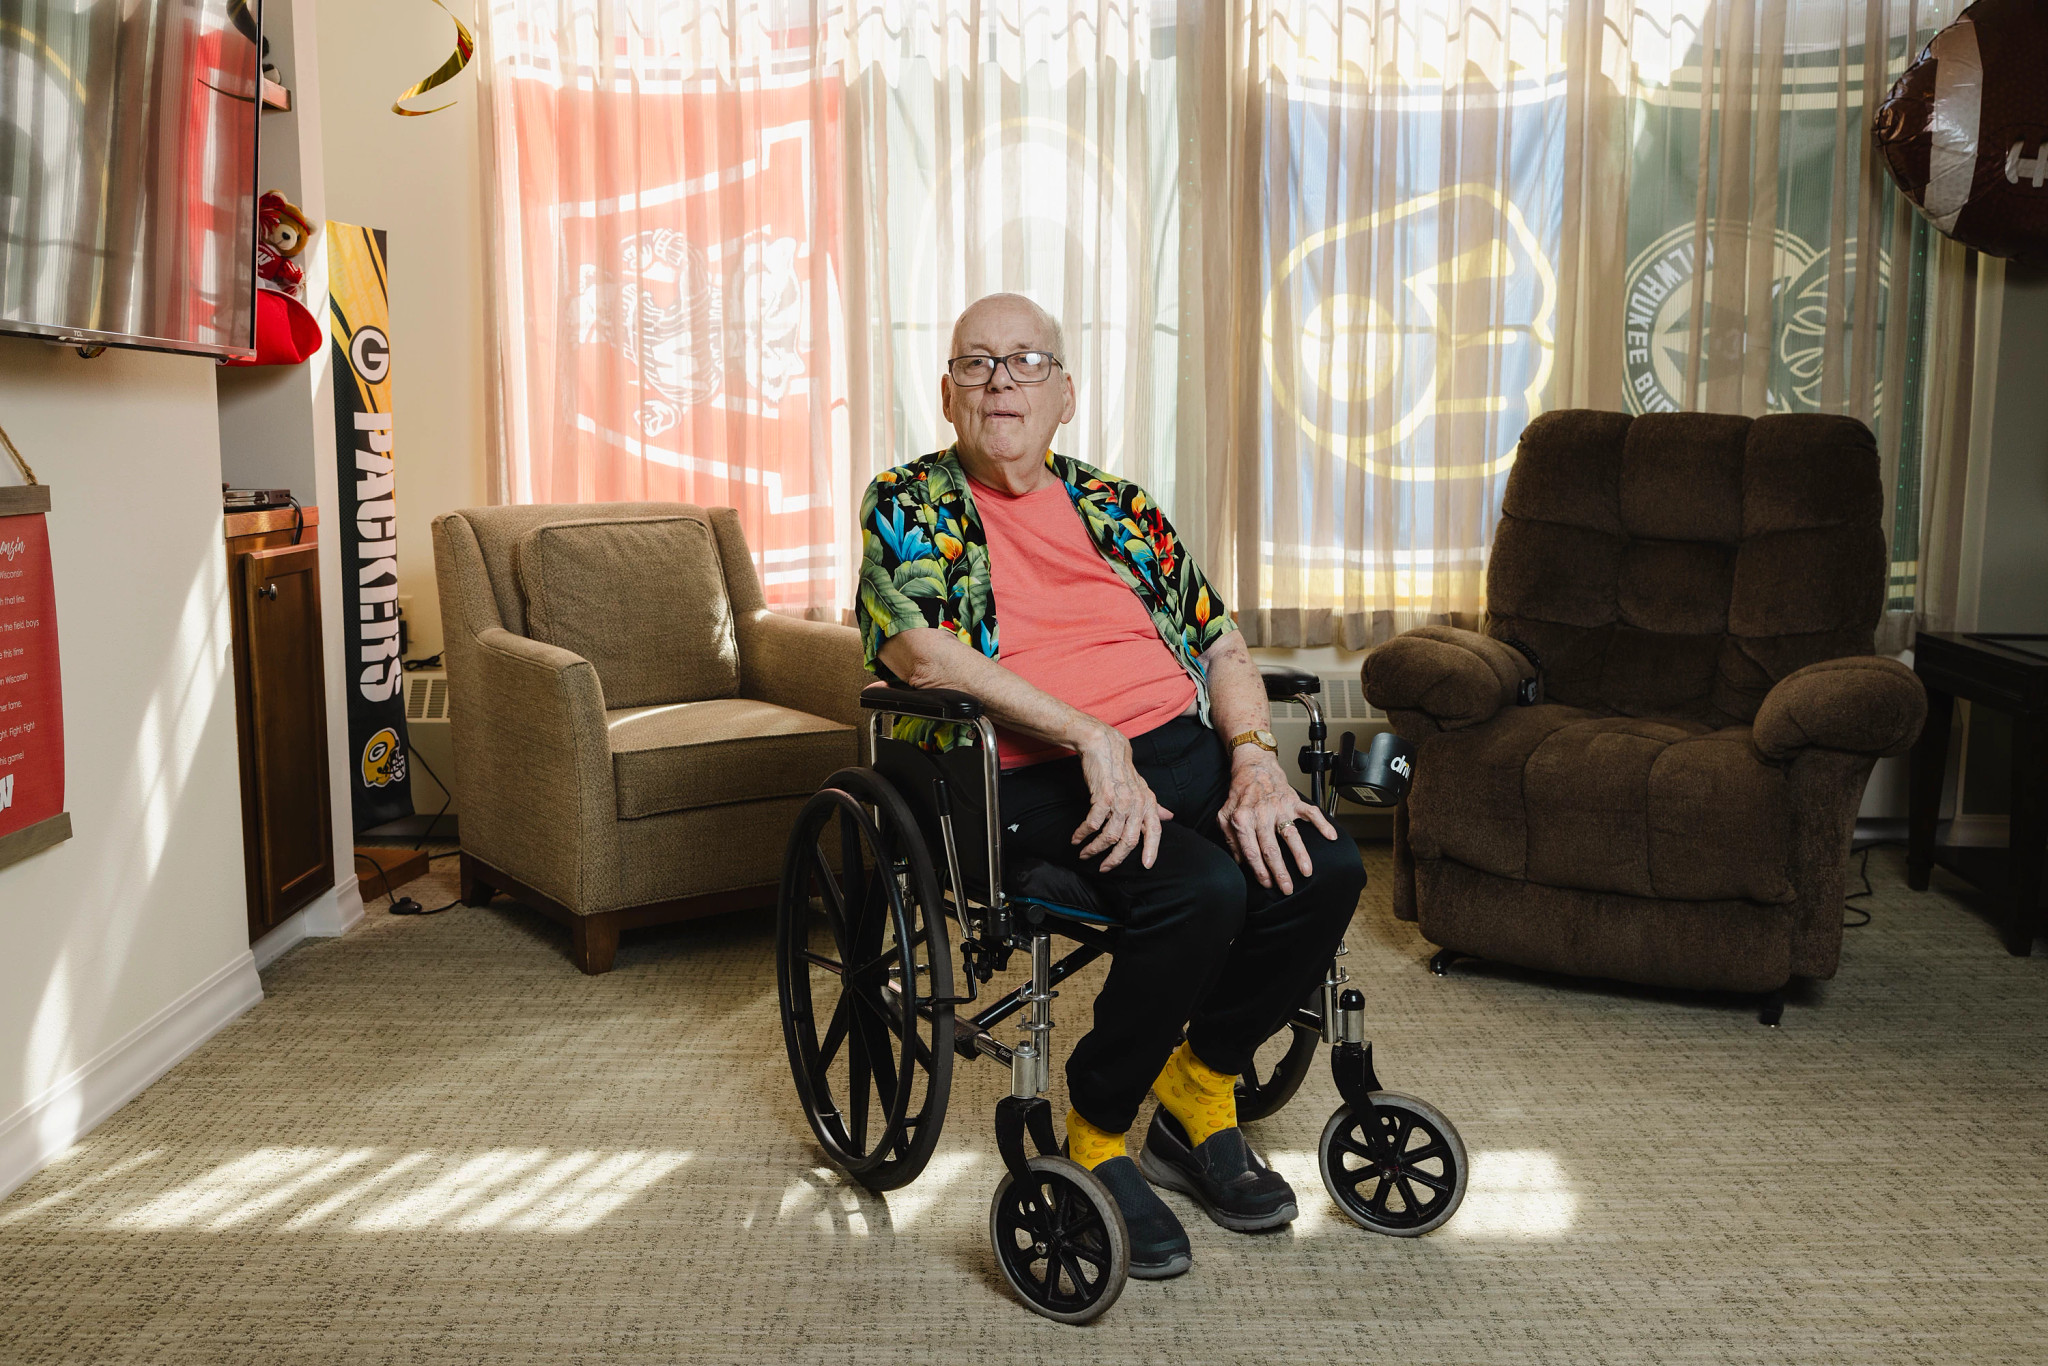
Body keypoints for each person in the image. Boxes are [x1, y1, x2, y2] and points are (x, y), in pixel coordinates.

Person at [856, 292, 1365, 1280]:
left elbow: (1218, 639)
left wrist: (1253, 755)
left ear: (1066, 394)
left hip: (1178, 749)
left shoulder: (1117, 505)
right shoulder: (908, 501)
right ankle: (1093, 1127)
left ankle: (1199, 1090)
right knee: (1201, 888)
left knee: (1325, 867)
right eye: (975, 362)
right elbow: (920, 652)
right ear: (947, 392)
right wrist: (1089, 736)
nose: (1000, 379)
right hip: (1027, 773)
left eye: (1025, 361)